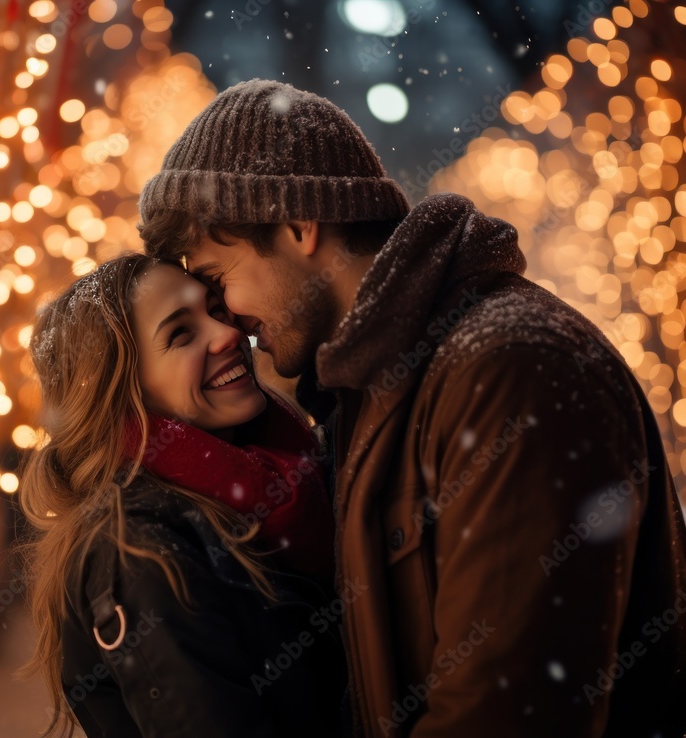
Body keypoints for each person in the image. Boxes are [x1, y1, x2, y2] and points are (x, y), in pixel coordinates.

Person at [138, 79, 686, 737]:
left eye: (218, 280)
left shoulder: (508, 371)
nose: (225, 321)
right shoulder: (371, 393)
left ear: (299, 224)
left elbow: (504, 718)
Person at [18, 253, 347, 738]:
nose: (227, 334)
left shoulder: (277, 472)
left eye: (216, 310)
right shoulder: (136, 550)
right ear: (124, 388)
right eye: (180, 334)